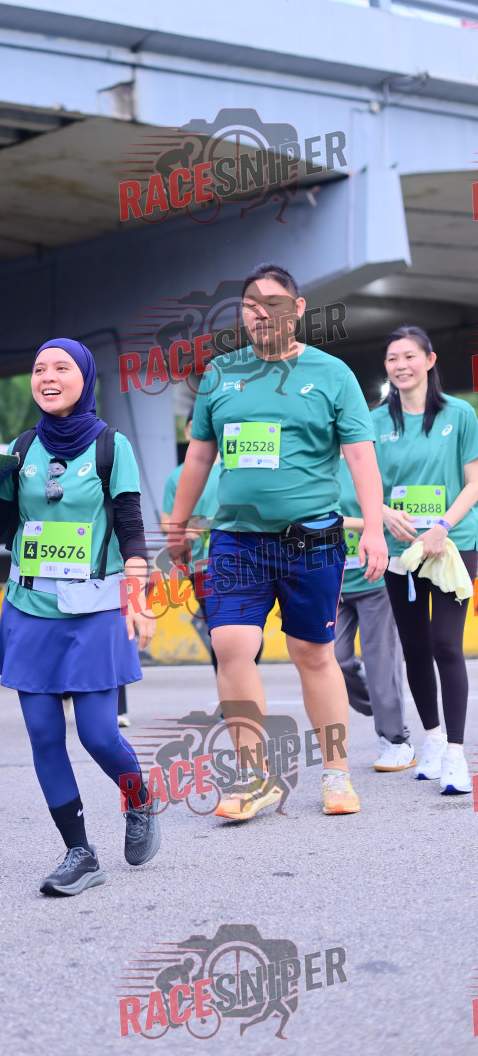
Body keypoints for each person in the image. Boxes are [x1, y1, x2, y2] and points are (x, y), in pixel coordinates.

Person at [0, 338, 159, 896]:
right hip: (29, 608)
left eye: (61, 368)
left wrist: (139, 595)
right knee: (45, 736)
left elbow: (130, 523)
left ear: (85, 377)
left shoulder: (111, 445)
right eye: (39, 368)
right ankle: (79, 853)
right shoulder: (21, 448)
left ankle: (139, 798)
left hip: (94, 606)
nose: (47, 377)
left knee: (99, 734)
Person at [169, 264, 388, 820]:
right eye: (250, 304)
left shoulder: (332, 374)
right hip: (236, 539)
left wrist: (374, 528)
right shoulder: (220, 373)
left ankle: (336, 773)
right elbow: (199, 456)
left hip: (311, 539)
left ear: (298, 308)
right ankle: (252, 776)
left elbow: (361, 457)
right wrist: (177, 524)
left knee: (313, 654)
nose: (260, 313)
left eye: (273, 302)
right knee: (230, 645)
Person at [373, 325, 478, 794]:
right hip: (401, 550)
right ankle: (432, 740)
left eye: (409, 356)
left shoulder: (460, 414)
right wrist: (382, 512)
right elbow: (363, 484)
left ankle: (456, 754)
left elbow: (474, 482)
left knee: (446, 645)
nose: (401, 365)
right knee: (414, 647)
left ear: (430, 361)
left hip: (453, 543)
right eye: (392, 358)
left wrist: (442, 527)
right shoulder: (375, 422)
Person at [161, 411, 262, 669]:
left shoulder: (236, 468)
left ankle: (242, 675)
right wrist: (183, 530)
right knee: (219, 628)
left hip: (242, 558)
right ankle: (228, 686)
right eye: (197, 427)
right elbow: (166, 520)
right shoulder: (177, 476)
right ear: (188, 432)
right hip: (200, 566)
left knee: (249, 629)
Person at [335, 453, 414, 771]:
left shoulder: (373, 460)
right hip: (332, 582)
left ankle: (396, 739)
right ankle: (381, 706)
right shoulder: (316, 462)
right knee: (335, 659)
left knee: (381, 664)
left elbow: (398, 515)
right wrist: (369, 521)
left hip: (376, 580)